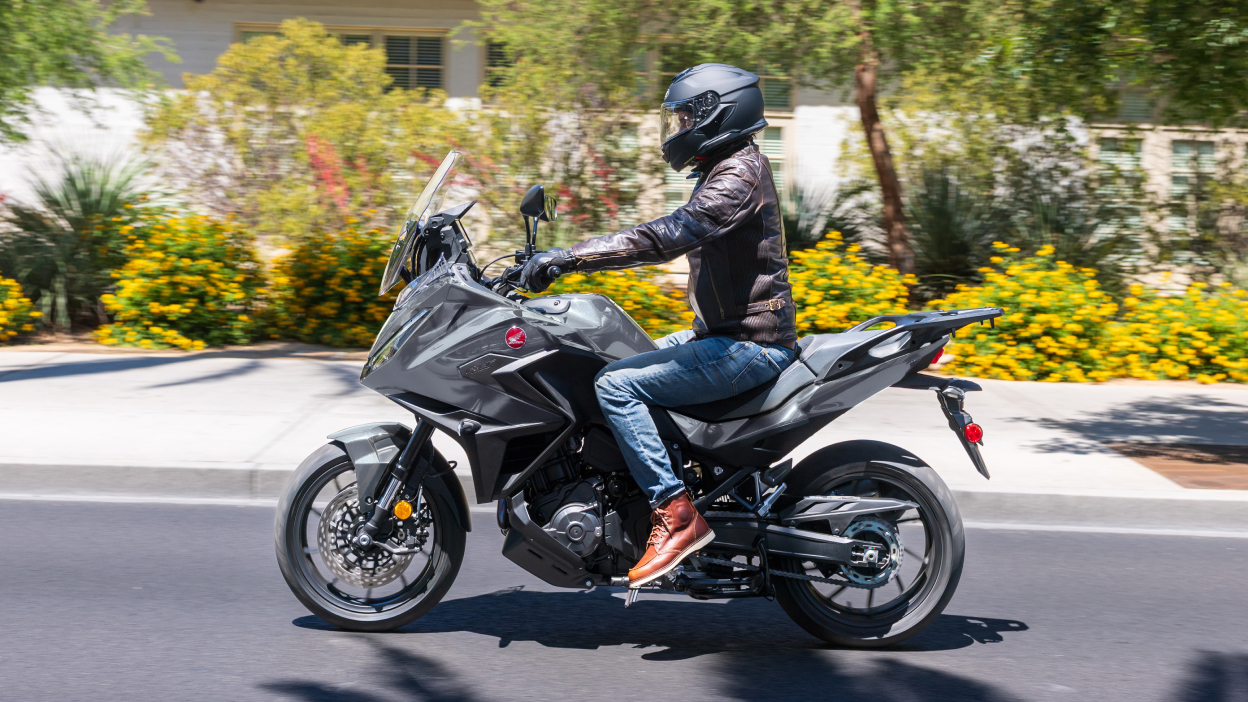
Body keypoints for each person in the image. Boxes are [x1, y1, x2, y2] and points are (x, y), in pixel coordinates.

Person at [520, 63, 797, 589]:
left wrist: (569, 258)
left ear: (719, 113)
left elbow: (668, 235)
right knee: (614, 358)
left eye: (686, 116)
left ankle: (676, 514)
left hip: (748, 344)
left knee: (616, 386)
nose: (678, 127)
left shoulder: (738, 175)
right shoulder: (729, 168)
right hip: (724, 334)